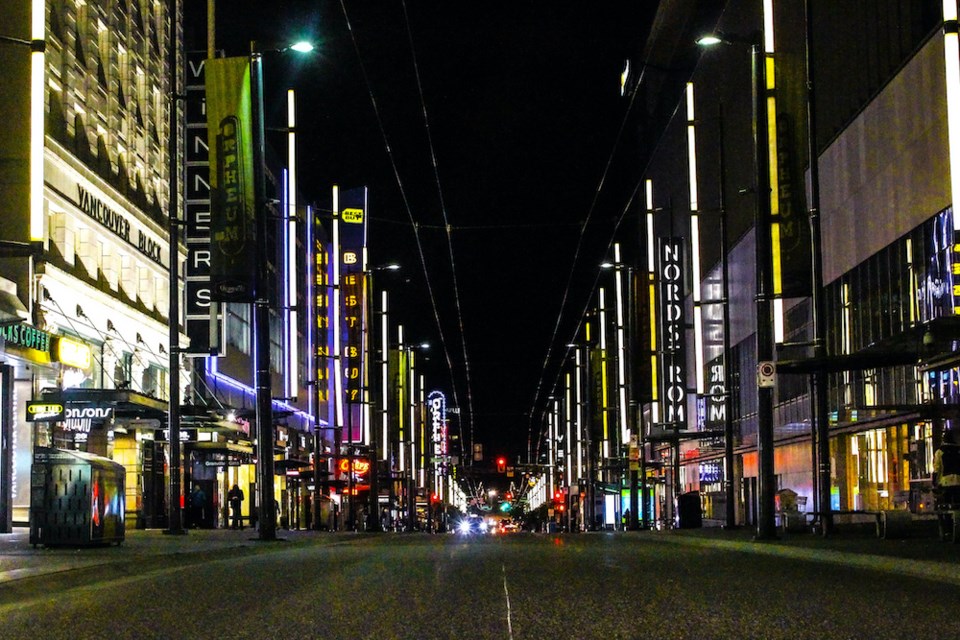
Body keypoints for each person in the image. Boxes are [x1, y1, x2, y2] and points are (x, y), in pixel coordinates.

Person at [935, 429, 960, 508]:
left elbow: (937, 468)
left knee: (946, 503)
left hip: (945, 481)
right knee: (957, 503)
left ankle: (948, 518)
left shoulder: (940, 452)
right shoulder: (958, 450)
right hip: (958, 481)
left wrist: (935, 481)